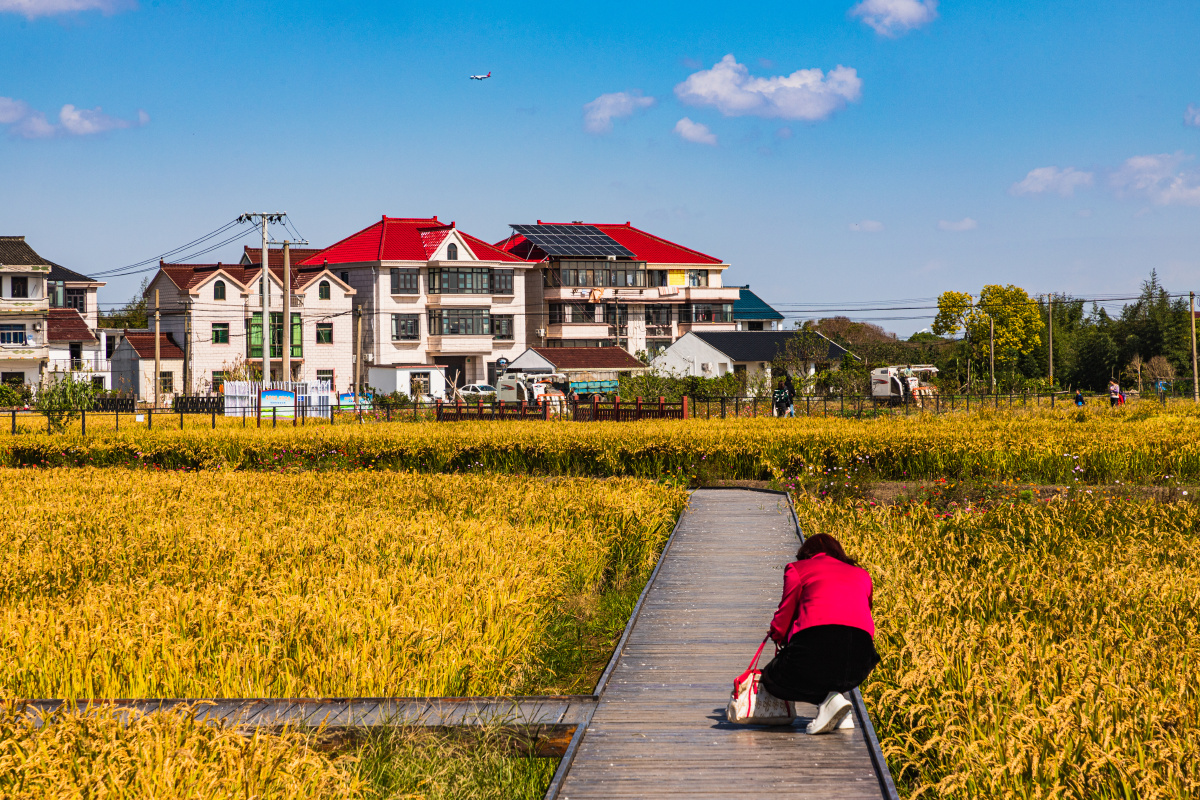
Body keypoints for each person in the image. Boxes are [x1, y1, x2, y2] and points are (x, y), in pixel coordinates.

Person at [760, 534, 880, 734]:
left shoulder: (797, 569)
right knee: (830, 666)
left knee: (773, 678)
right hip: (860, 658)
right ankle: (841, 711)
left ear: (805, 554)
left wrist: (778, 635)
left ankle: (829, 701)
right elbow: (863, 613)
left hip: (816, 647)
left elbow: (784, 615)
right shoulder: (862, 575)